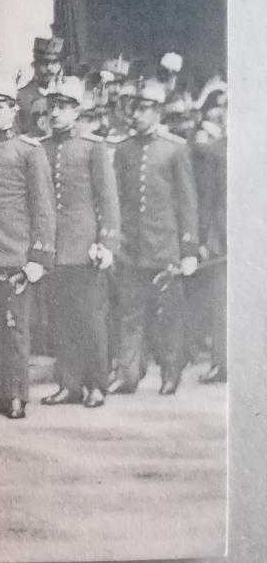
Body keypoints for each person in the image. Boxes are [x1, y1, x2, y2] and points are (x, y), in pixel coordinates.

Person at [0, 70, 56, 421]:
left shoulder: (29, 152)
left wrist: (38, 257)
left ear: (13, 109)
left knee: (16, 327)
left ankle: (17, 395)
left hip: (17, 254)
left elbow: (43, 209)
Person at [109, 79, 199, 396]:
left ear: (157, 112)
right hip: (131, 246)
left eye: (143, 109)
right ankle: (128, 373)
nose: (136, 115)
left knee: (168, 314)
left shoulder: (174, 149)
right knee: (130, 310)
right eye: (133, 108)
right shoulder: (123, 150)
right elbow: (116, 198)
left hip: (164, 246)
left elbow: (187, 202)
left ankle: (170, 373)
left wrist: (188, 247)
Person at [39, 75, 120, 409]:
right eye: (52, 106)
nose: (56, 113)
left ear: (76, 110)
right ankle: (69, 383)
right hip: (53, 247)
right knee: (61, 318)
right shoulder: (41, 147)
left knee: (90, 318)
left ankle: (96, 384)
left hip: (85, 246)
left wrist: (107, 243)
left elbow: (108, 200)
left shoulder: (92, 147)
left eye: (63, 107)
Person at [193, 82, 227, 384]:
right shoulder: (216, 152)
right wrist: (206, 241)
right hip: (224, 239)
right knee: (222, 303)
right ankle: (221, 362)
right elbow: (208, 200)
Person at [17, 36, 64, 136]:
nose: (50, 68)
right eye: (45, 63)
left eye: (54, 62)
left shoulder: (64, 94)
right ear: (35, 65)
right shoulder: (22, 96)